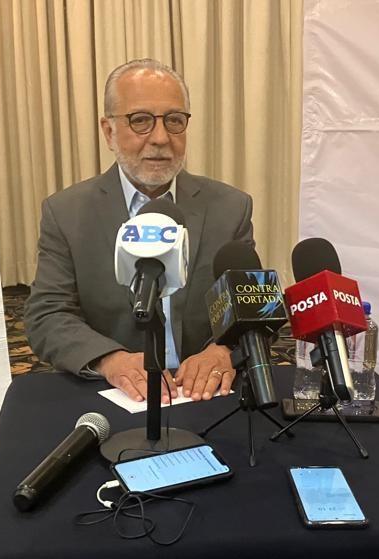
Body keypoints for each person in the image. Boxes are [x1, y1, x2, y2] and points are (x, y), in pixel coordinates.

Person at [23, 59, 255, 405]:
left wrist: (222, 350)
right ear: (108, 131)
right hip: (115, 393)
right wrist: (111, 360)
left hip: (206, 393)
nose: (161, 138)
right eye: (140, 120)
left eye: (174, 120)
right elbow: (48, 314)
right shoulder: (66, 212)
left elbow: (250, 308)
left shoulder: (230, 207)